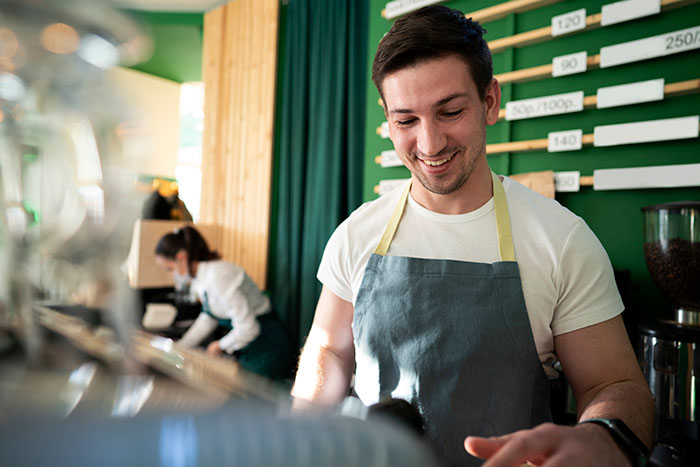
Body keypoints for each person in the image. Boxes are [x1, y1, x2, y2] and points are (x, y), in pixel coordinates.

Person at [291, 5, 653, 467]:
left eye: (451, 111)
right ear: (386, 118)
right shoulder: (356, 233)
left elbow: (613, 385)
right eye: (406, 121)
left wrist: (605, 437)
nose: (430, 143)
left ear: (490, 101)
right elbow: (329, 349)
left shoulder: (561, 240)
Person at [155, 226, 294, 380]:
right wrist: (182, 346)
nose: (172, 274)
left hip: (268, 347)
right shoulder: (200, 279)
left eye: (169, 268)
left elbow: (249, 328)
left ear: (181, 258)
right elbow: (209, 317)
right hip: (249, 348)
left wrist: (219, 346)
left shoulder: (217, 276)